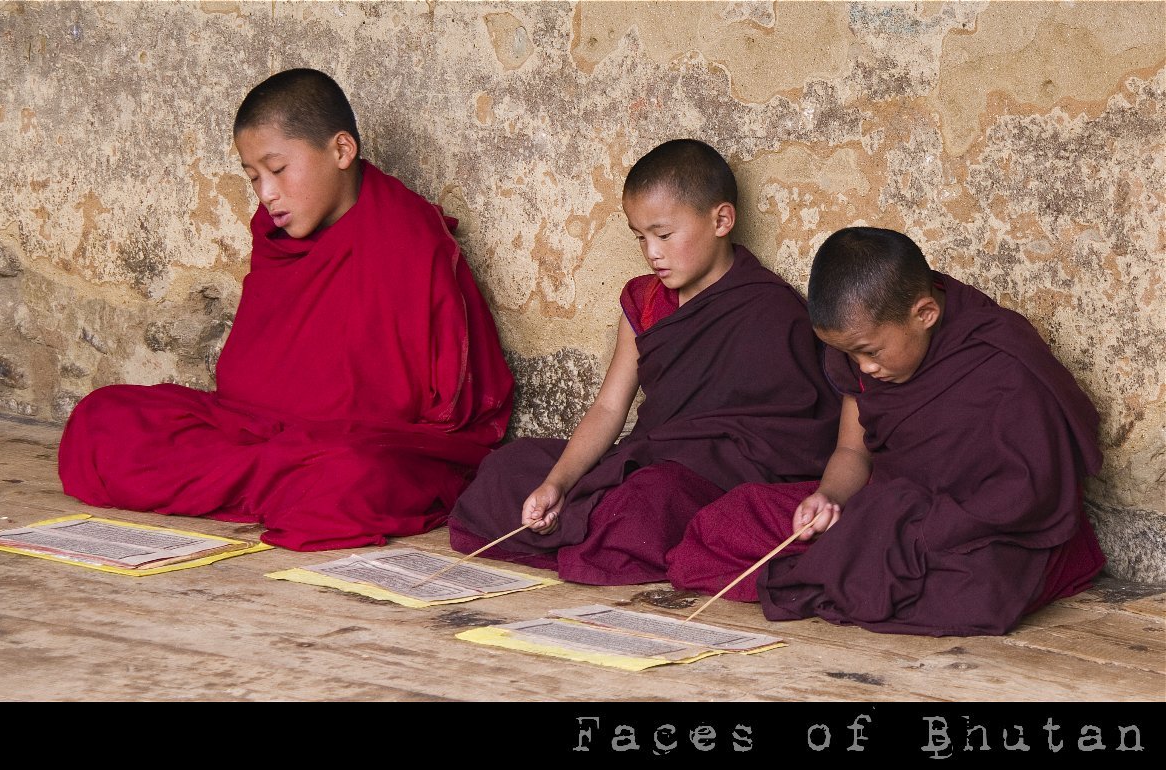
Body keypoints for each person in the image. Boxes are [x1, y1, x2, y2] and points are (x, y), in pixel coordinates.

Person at [58, 68, 514, 551]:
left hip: (348, 447)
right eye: (253, 177)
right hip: (251, 431)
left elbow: (447, 417)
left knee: (354, 476)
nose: (266, 193)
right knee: (100, 419)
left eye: (277, 170)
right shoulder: (275, 234)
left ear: (341, 151)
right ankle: (280, 488)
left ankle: (274, 485)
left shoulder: (407, 238)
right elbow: (249, 375)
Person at [666, 226, 1106, 636]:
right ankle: (852, 561)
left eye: (869, 352)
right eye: (850, 355)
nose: (865, 368)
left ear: (925, 313)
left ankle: (850, 563)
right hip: (881, 513)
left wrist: (906, 527)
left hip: (975, 531)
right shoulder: (867, 356)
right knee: (726, 524)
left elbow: (1028, 493)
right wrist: (829, 499)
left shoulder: (999, 360)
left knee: (980, 587)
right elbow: (853, 453)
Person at [448, 139, 840, 585]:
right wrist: (556, 483)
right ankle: (588, 521)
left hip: (703, 478)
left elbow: (790, 440)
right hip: (645, 457)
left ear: (721, 220)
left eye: (664, 235)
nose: (652, 252)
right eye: (640, 237)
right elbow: (609, 408)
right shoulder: (646, 302)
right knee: (508, 469)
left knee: (646, 503)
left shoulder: (770, 309)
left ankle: (596, 526)